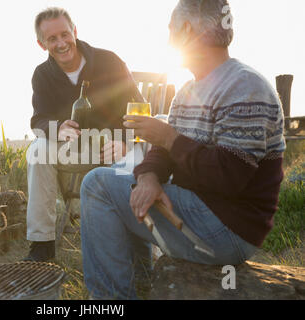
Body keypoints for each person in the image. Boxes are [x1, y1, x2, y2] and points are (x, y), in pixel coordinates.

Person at [80, 0, 286, 299]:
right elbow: (163, 153)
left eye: (170, 29)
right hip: (203, 211)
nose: (167, 39)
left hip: (229, 227)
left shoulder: (245, 87)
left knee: (97, 184)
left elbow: (230, 178)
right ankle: (140, 285)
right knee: (127, 183)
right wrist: (149, 177)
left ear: (186, 29)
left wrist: (168, 137)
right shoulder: (188, 90)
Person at [24, 7, 143, 262]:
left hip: (116, 149)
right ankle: (41, 246)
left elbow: (139, 107)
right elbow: (38, 120)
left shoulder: (109, 61)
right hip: (78, 149)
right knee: (37, 150)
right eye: (52, 39)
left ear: (75, 32)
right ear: (41, 43)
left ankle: (140, 245)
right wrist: (58, 128)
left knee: (142, 153)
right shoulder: (42, 75)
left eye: (65, 34)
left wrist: (124, 142)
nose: (61, 43)